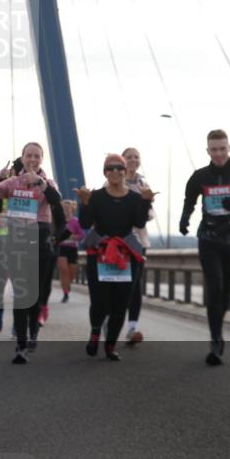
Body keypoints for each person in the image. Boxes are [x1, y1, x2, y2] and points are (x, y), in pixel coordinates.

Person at [0, 144, 65, 364]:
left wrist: (40, 182)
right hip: (16, 241)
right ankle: (21, 344)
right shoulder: (12, 182)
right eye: (28, 155)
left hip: (40, 240)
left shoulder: (48, 182)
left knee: (35, 295)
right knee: (21, 294)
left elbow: (56, 200)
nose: (32, 159)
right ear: (23, 158)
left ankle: (33, 330)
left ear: (42, 159)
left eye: (37, 156)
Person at [179, 129, 230, 366]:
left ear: (229, 148)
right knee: (215, 287)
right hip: (209, 236)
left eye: (222, 149)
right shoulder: (200, 176)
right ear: (208, 151)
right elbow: (190, 199)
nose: (219, 154)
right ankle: (216, 340)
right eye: (214, 150)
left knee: (225, 292)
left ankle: (218, 328)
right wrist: (185, 218)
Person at [76, 153, 153, 360]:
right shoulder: (96, 196)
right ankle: (95, 332)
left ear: (125, 171)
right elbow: (84, 224)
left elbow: (139, 223)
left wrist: (146, 202)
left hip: (126, 253)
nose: (115, 171)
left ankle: (110, 345)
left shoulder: (134, 198)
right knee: (100, 300)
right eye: (110, 168)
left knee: (121, 302)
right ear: (105, 172)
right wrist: (84, 203)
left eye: (119, 168)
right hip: (99, 251)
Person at [122, 147, 156, 346]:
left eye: (136, 157)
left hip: (139, 241)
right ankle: (111, 320)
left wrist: (144, 206)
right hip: (118, 241)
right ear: (122, 160)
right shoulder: (113, 180)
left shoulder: (144, 184)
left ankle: (132, 328)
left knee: (135, 285)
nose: (133, 160)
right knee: (119, 285)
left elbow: (150, 214)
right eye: (129, 157)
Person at [55, 199, 84, 303]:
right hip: (61, 248)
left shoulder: (76, 221)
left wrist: (72, 237)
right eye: (64, 208)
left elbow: (82, 235)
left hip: (72, 248)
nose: (66, 210)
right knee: (64, 270)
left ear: (72, 209)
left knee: (72, 273)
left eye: (68, 208)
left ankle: (67, 286)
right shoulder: (58, 221)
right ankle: (65, 293)